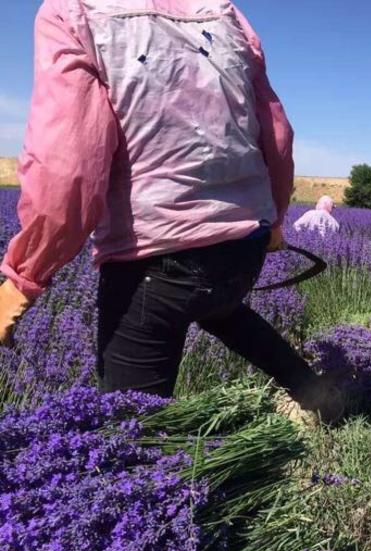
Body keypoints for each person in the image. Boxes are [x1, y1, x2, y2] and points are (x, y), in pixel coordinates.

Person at [0, 0, 342, 422]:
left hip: (154, 257)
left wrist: (24, 277)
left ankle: (161, 479)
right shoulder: (223, 12)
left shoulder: (72, 12)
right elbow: (278, 135)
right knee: (221, 307)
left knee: (131, 427)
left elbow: (69, 163)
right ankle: (318, 394)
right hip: (241, 248)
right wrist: (273, 221)